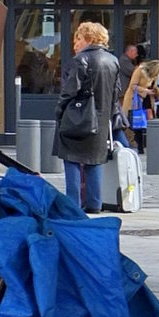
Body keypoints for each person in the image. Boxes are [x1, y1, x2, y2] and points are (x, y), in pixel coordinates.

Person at [53, 22, 121, 215]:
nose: (75, 44)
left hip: (78, 117)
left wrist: (59, 110)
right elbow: (116, 92)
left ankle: (72, 204)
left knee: (71, 159)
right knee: (94, 160)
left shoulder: (81, 60)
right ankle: (94, 203)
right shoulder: (112, 60)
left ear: (89, 39)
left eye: (79, 39)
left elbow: (70, 90)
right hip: (101, 120)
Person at [122, 59, 159, 154]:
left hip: (147, 100)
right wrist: (146, 91)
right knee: (137, 123)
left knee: (149, 122)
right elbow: (132, 86)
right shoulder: (139, 71)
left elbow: (155, 86)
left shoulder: (155, 75)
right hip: (135, 101)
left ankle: (148, 144)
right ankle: (138, 146)